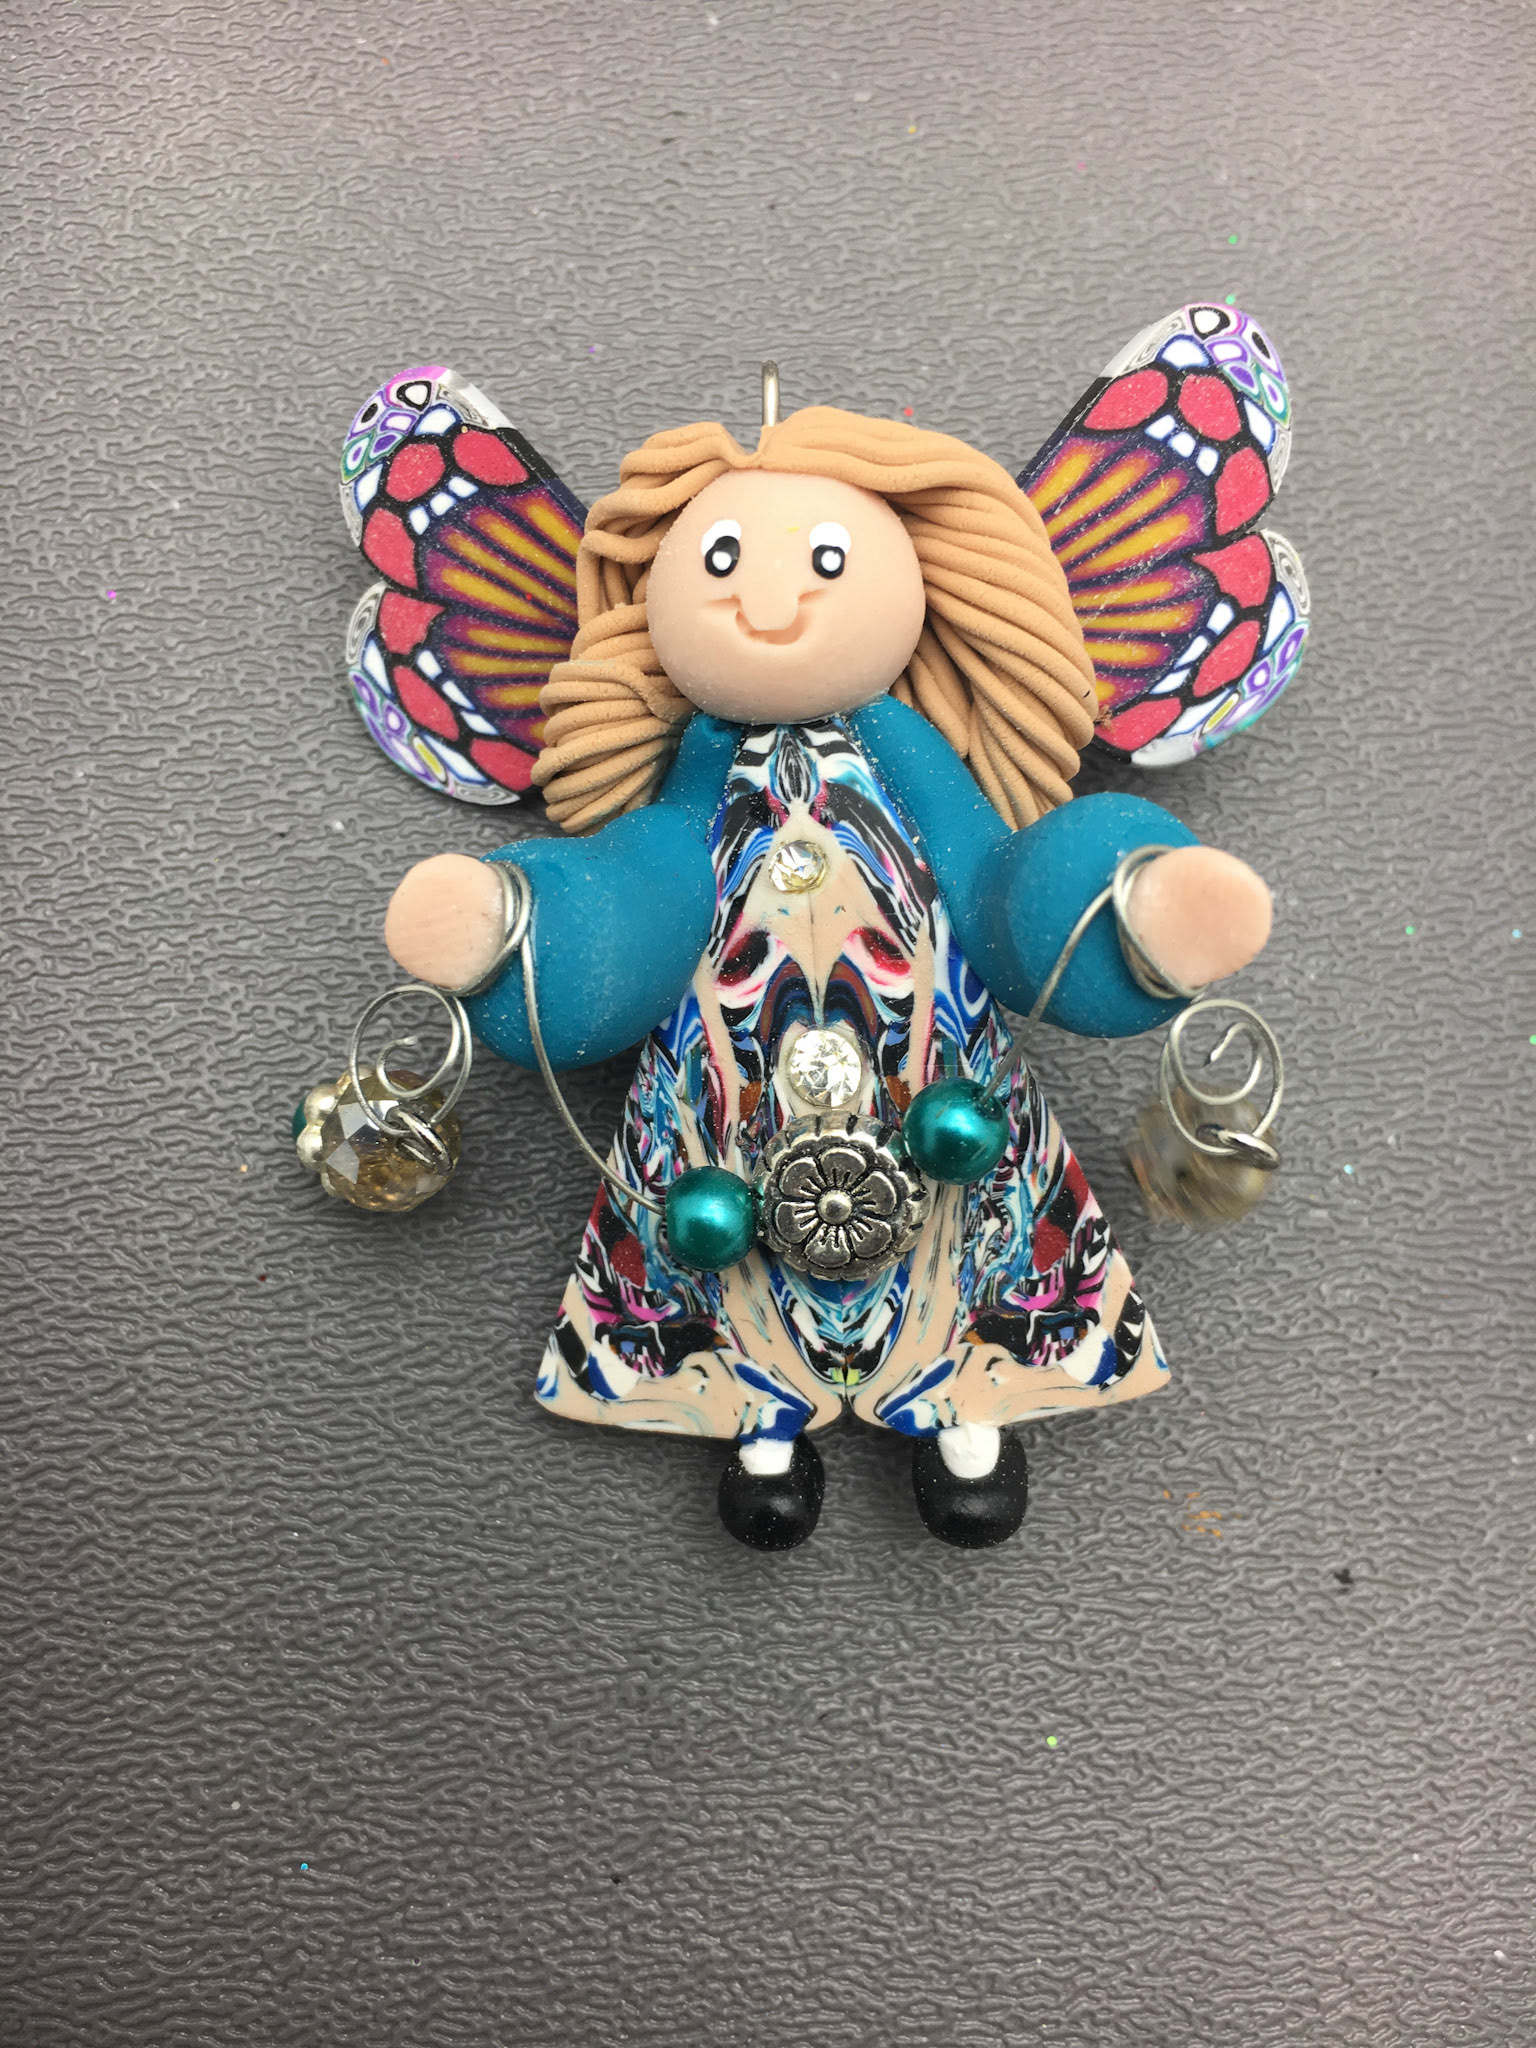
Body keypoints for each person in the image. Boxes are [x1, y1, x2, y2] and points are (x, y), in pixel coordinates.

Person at [381, 409, 1272, 1551]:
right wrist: (526, 927)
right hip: (730, 1085)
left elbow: (999, 885)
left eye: (825, 560)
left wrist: (1119, 900)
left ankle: (968, 1422)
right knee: (714, 1236)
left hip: (929, 1075)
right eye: (721, 561)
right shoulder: (698, 770)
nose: (768, 600)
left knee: (972, 1234)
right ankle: (760, 1428)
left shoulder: (908, 750)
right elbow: (639, 894)